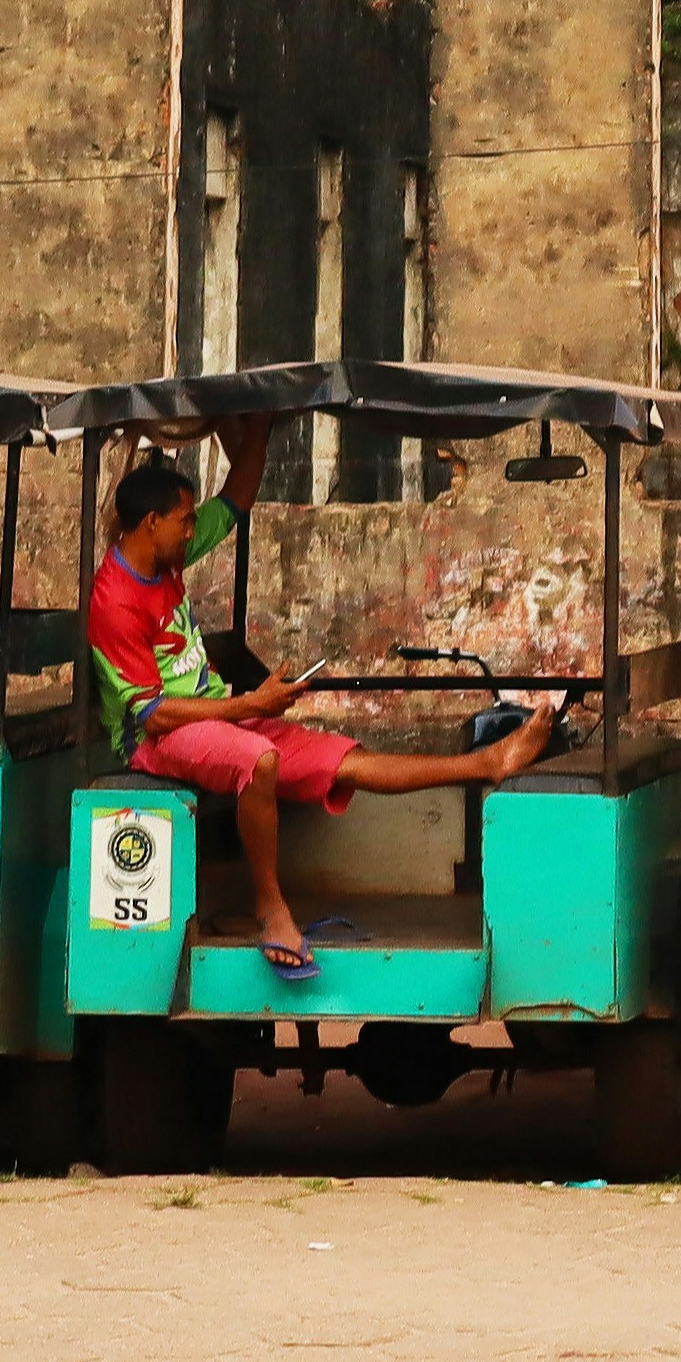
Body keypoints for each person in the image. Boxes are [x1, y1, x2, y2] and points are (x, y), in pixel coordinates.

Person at [88, 416, 569, 992]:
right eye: (185, 521)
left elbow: (235, 500)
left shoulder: (165, 560)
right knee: (257, 760)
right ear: (152, 523)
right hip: (159, 741)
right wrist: (249, 707)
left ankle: (486, 765)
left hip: (218, 716)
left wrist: (262, 429)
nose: (194, 531)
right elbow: (154, 715)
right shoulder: (114, 602)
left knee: (348, 760)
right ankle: (271, 909)